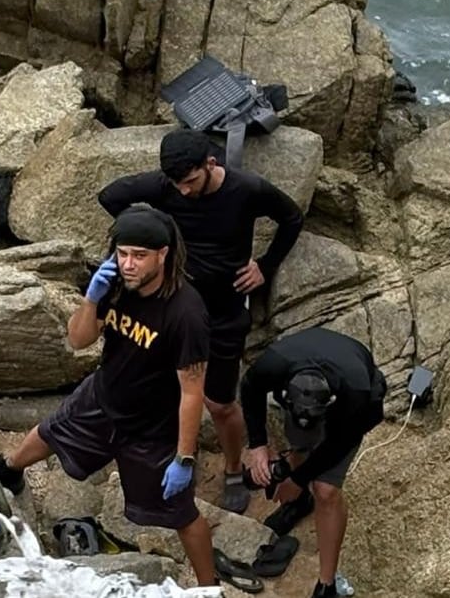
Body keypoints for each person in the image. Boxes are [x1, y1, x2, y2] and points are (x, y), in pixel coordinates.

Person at [0, 204, 218, 587]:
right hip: (103, 394)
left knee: (181, 514)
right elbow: (79, 340)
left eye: (139, 256)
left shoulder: (186, 313)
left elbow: (192, 392)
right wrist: (92, 299)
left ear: (163, 255)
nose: (128, 264)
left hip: (152, 427)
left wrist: (184, 457)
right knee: (50, 431)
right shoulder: (114, 284)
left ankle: (210, 588)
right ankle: (8, 470)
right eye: (123, 253)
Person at [97, 128, 304, 513]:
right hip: (175, 308)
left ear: (211, 164)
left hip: (225, 312)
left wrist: (266, 266)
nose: (184, 191)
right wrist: (153, 234)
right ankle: (175, 455)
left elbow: (291, 218)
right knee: (165, 385)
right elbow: (110, 196)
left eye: (190, 181)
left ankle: (231, 468)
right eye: (177, 184)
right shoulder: (167, 187)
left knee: (220, 403)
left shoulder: (246, 189)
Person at [239, 326, 387, 598]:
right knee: (300, 445)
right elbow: (249, 388)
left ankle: (326, 585)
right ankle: (299, 503)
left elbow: (337, 444)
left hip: (354, 404)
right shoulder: (274, 364)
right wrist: (258, 444)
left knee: (326, 490)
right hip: (307, 373)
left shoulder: (358, 392)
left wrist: (297, 479)